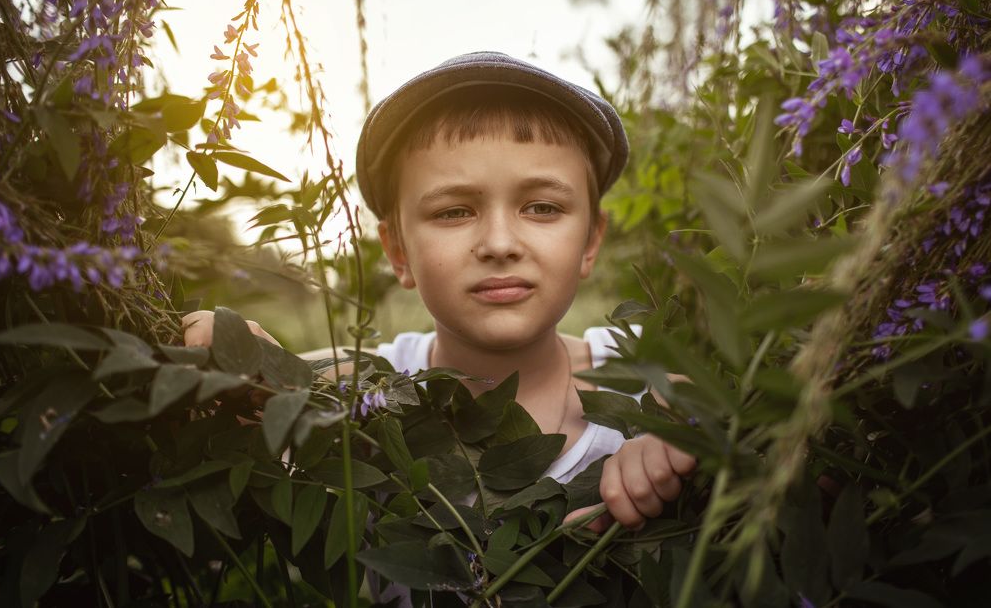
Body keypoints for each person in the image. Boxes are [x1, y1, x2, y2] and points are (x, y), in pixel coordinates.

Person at [182, 51, 695, 537]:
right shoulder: (356, 391)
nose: (499, 243)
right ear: (398, 251)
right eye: (454, 212)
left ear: (590, 241)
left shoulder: (648, 393)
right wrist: (236, 364)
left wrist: (689, 444)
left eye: (542, 207)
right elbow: (273, 384)